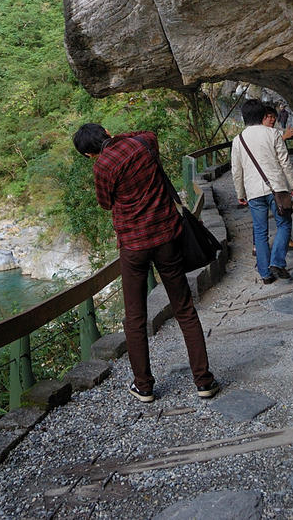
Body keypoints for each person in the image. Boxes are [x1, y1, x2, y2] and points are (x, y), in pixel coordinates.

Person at [72, 124, 219, 403]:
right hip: (166, 238)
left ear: (88, 154)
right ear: (106, 131)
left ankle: (144, 386)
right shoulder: (144, 143)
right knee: (185, 310)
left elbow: (105, 203)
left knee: (135, 318)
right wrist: (117, 136)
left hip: (134, 245)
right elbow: (146, 133)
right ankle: (204, 381)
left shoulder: (102, 166)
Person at [231, 99, 293, 284]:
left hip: (253, 191)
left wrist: (240, 194)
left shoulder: (238, 140)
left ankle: (265, 274)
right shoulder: (274, 134)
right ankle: (277, 261)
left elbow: (236, 170)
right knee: (284, 223)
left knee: (260, 232)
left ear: (244, 117)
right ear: (263, 115)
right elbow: (285, 162)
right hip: (277, 187)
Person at [261, 105, 293, 251]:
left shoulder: (274, 132)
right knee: (263, 216)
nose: (271, 119)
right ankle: (258, 245)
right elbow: (270, 153)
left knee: (282, 211)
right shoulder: (263, 135)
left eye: (273, 116)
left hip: (275, 180)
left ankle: (286, 239)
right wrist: (284, 137)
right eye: (268, 116)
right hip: (267, 180)